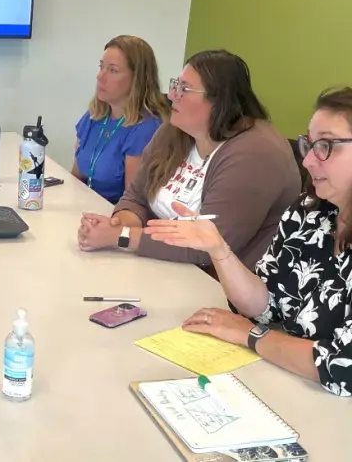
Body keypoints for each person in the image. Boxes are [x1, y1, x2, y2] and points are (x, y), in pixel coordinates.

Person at [144, 87, 352, 396]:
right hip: (292, 385)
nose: (307, 161)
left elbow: (342, 366)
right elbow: (266, 303)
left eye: (326, 145)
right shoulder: (309, 212)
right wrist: (219, 250)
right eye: (309, 144)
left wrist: (252, 337)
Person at [77, 49, 301, 274]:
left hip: (222, 286)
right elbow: (136, 196)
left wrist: (121, 237)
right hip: (162, 266)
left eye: (184, 89)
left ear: (219, 100)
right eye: (176, 85)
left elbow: (206, 246)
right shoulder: (175, 128)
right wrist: (118, 224)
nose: (172, 95)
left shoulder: (255, 154)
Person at [72, 35, 169, 204]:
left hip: (112, 216)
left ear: (137, 79)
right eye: (101, 67)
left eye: (113, 70)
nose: (100, 76)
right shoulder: (94, 116)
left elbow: (131, 204)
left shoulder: (146, 129)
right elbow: (76, 178)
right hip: (82, 208)